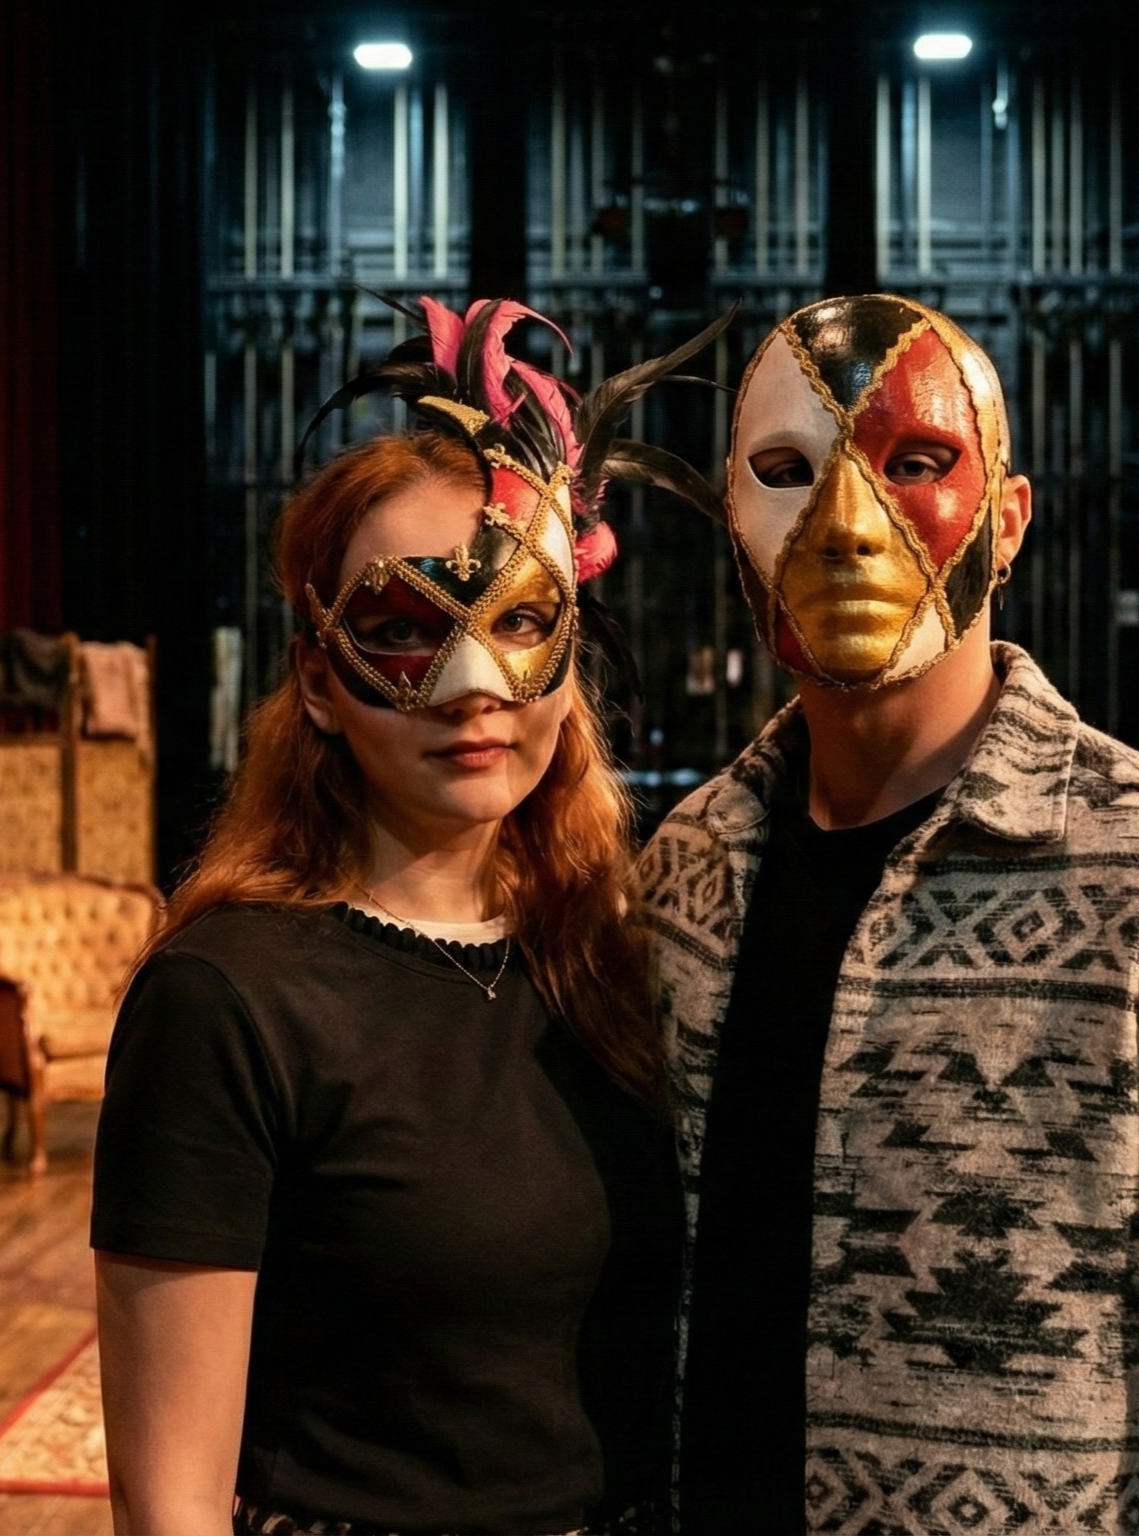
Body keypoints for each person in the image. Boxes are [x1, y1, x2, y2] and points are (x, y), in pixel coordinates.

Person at [638, 294, 1139, 1534]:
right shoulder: (683, 878)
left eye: (916, 465)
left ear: (1008, 521)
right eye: (784, 473)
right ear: (730, 525)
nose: (848, 528)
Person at [91, 296, 728, 1536]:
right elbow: (169, 1503)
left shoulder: (624, 959)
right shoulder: (227, 1001)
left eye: (522, 622)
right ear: (319, 679)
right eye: (400, 630)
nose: (474, 686)